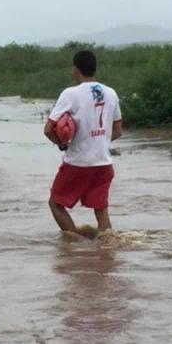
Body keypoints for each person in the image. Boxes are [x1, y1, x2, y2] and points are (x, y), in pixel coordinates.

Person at [44, 50, 123, 236]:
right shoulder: (111, 92)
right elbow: (118, 130)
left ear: (75, 69)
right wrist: (100, 141)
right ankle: (105, 250)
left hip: (78, 162)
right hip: (104, 163)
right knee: (101, 208)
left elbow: (48, 129)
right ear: (95, 69)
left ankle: (75, 247)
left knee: (55, 203)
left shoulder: (70, 94)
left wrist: (63, 145)